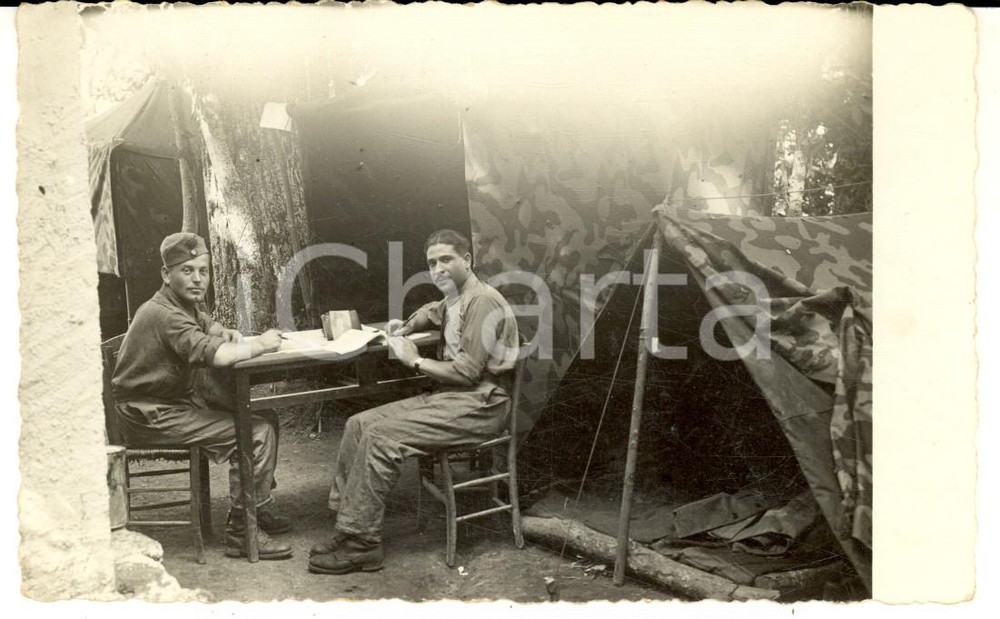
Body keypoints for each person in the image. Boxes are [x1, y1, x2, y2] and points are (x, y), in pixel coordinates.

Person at [308, 229, 520, 575]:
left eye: (447, 260)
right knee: (358, 424)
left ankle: (363, 545)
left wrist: (415, 360)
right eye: (432, 263)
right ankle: (348, 527)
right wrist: (405, 326)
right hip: (454, 399)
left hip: (483, 403)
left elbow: (467, 372)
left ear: (467, 260)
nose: (439, 269)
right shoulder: (455, 298)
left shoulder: (481, 300)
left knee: (381, 437)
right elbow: (431, 311)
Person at [111, 232, 294, 560]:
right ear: (167, 275)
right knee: (256, 432)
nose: (197, 279)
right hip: (150, 415)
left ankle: (259, 506)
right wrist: (260, 344)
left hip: (169, 404)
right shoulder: (165, 314)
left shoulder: (180, 303)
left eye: (203, 271)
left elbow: (206, 325)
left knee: (266, 417)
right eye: (187, 271)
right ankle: (241, 531)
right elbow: (219, 356)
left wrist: (223, 333)